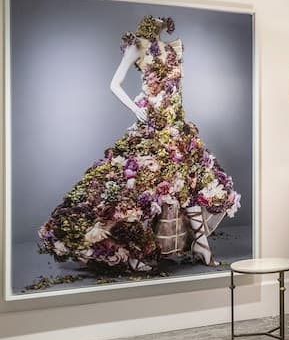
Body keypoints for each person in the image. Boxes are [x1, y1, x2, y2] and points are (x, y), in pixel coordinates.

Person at [37, 16, 240, 271]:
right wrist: (135, 108)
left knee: (190, 181)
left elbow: (176, 91)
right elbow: (114, 84)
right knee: (140, 189)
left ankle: (201, 245)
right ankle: (134, 252)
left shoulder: (173, 48)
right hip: (151, 123)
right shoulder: (137, 46)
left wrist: (178, 122)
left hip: (175, 125)